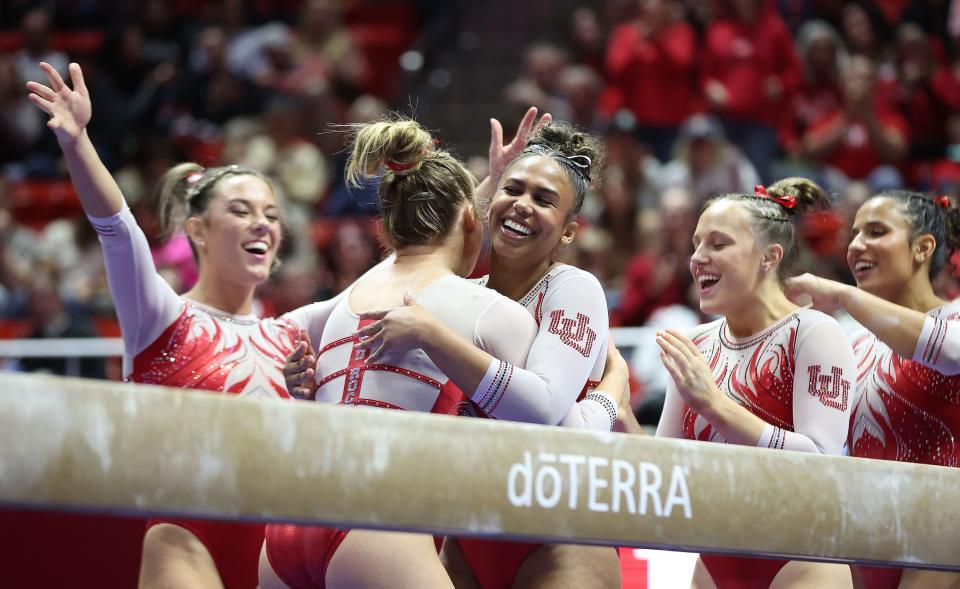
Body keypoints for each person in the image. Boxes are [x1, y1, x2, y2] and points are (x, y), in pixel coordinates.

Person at [26, 61, 353, 589]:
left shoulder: (292, 332)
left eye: (271, 214)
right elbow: (116, 230)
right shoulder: (163, 317)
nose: (261, 225)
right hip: (188, 544)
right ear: (197, 230)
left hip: (279, 557)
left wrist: (475, 204)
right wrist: (78, 141)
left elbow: (401, 276)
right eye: (242, 211)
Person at [327, 119, 625, 587]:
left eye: (543, 200)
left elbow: (548, 413)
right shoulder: (468, 296)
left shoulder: (572, 288)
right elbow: (408, 261)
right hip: (467, 537)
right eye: (514, 189)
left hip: (558, 538)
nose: (523, 205)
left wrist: (612, 392)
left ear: (568, 233)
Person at [654, 178, 855, 588]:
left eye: (717, 244)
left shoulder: (813, 332)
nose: (697, 258)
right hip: (715, 564)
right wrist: (616, 408)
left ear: (769, 257)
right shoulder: (697, 344)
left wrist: (714, 404)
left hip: (799, 560)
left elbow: (820, 460)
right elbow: (662, 465)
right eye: (696, 244)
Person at [785, 190, 960, 589]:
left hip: (946, 531)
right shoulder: (852, 341)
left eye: (877, 232)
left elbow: (947, 351)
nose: (857, 245)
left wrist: (845, 294)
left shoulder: (955, 317)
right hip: (869, 539)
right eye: (855, 234)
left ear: (922, 248)